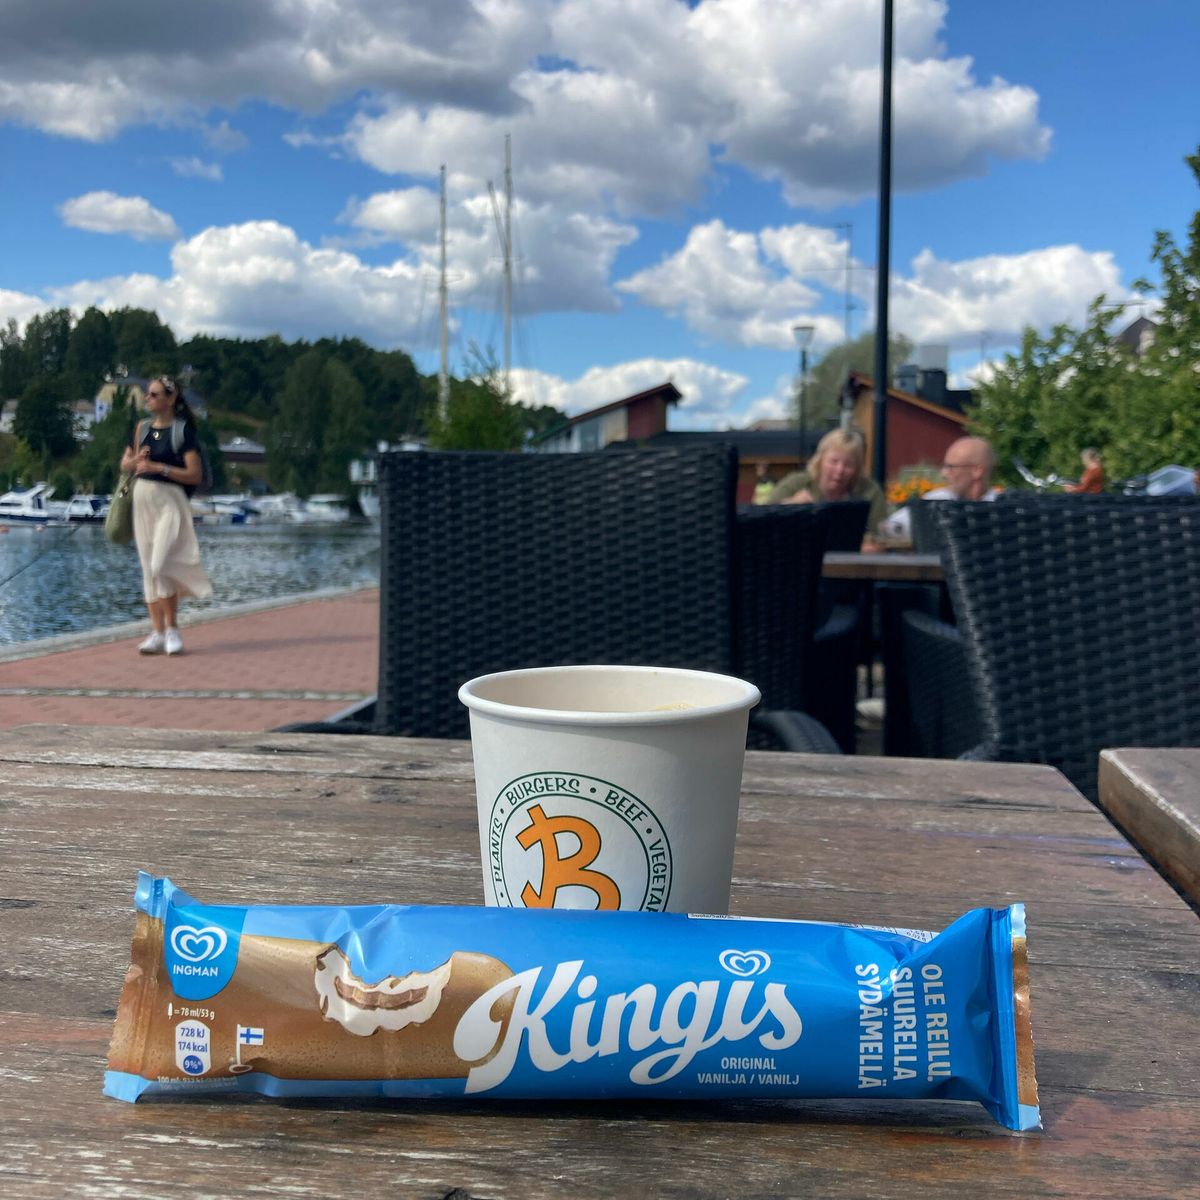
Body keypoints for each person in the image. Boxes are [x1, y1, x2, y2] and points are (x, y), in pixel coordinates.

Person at [118, 376, 212, 655]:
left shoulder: (182, 431)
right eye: (148, 394)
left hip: (170, 502)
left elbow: (194, 474)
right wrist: (136, 461)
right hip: (142, 501)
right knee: (148, 568)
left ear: (171, 399)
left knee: (160, 564)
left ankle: (172, 629)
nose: (148, 399)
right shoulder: (142, 428)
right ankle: (157, 632)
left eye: (154, 394)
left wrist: (160, 468)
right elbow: (125, 463)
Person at [769, 428, 887, 546]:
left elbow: (881, 536)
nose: (840, 470)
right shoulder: (797, 483)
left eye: (848, 465)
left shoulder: (869, 491)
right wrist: (790, 506)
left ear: (857, 469)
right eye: (834, 462)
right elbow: (765, 517)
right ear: (820, 460)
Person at [879, 435, 1000, 542]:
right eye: (944, 466)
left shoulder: (1000, 506)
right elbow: (891, 525)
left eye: (951, 467)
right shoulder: (937, 500)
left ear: (977, 471)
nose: (943, 474)